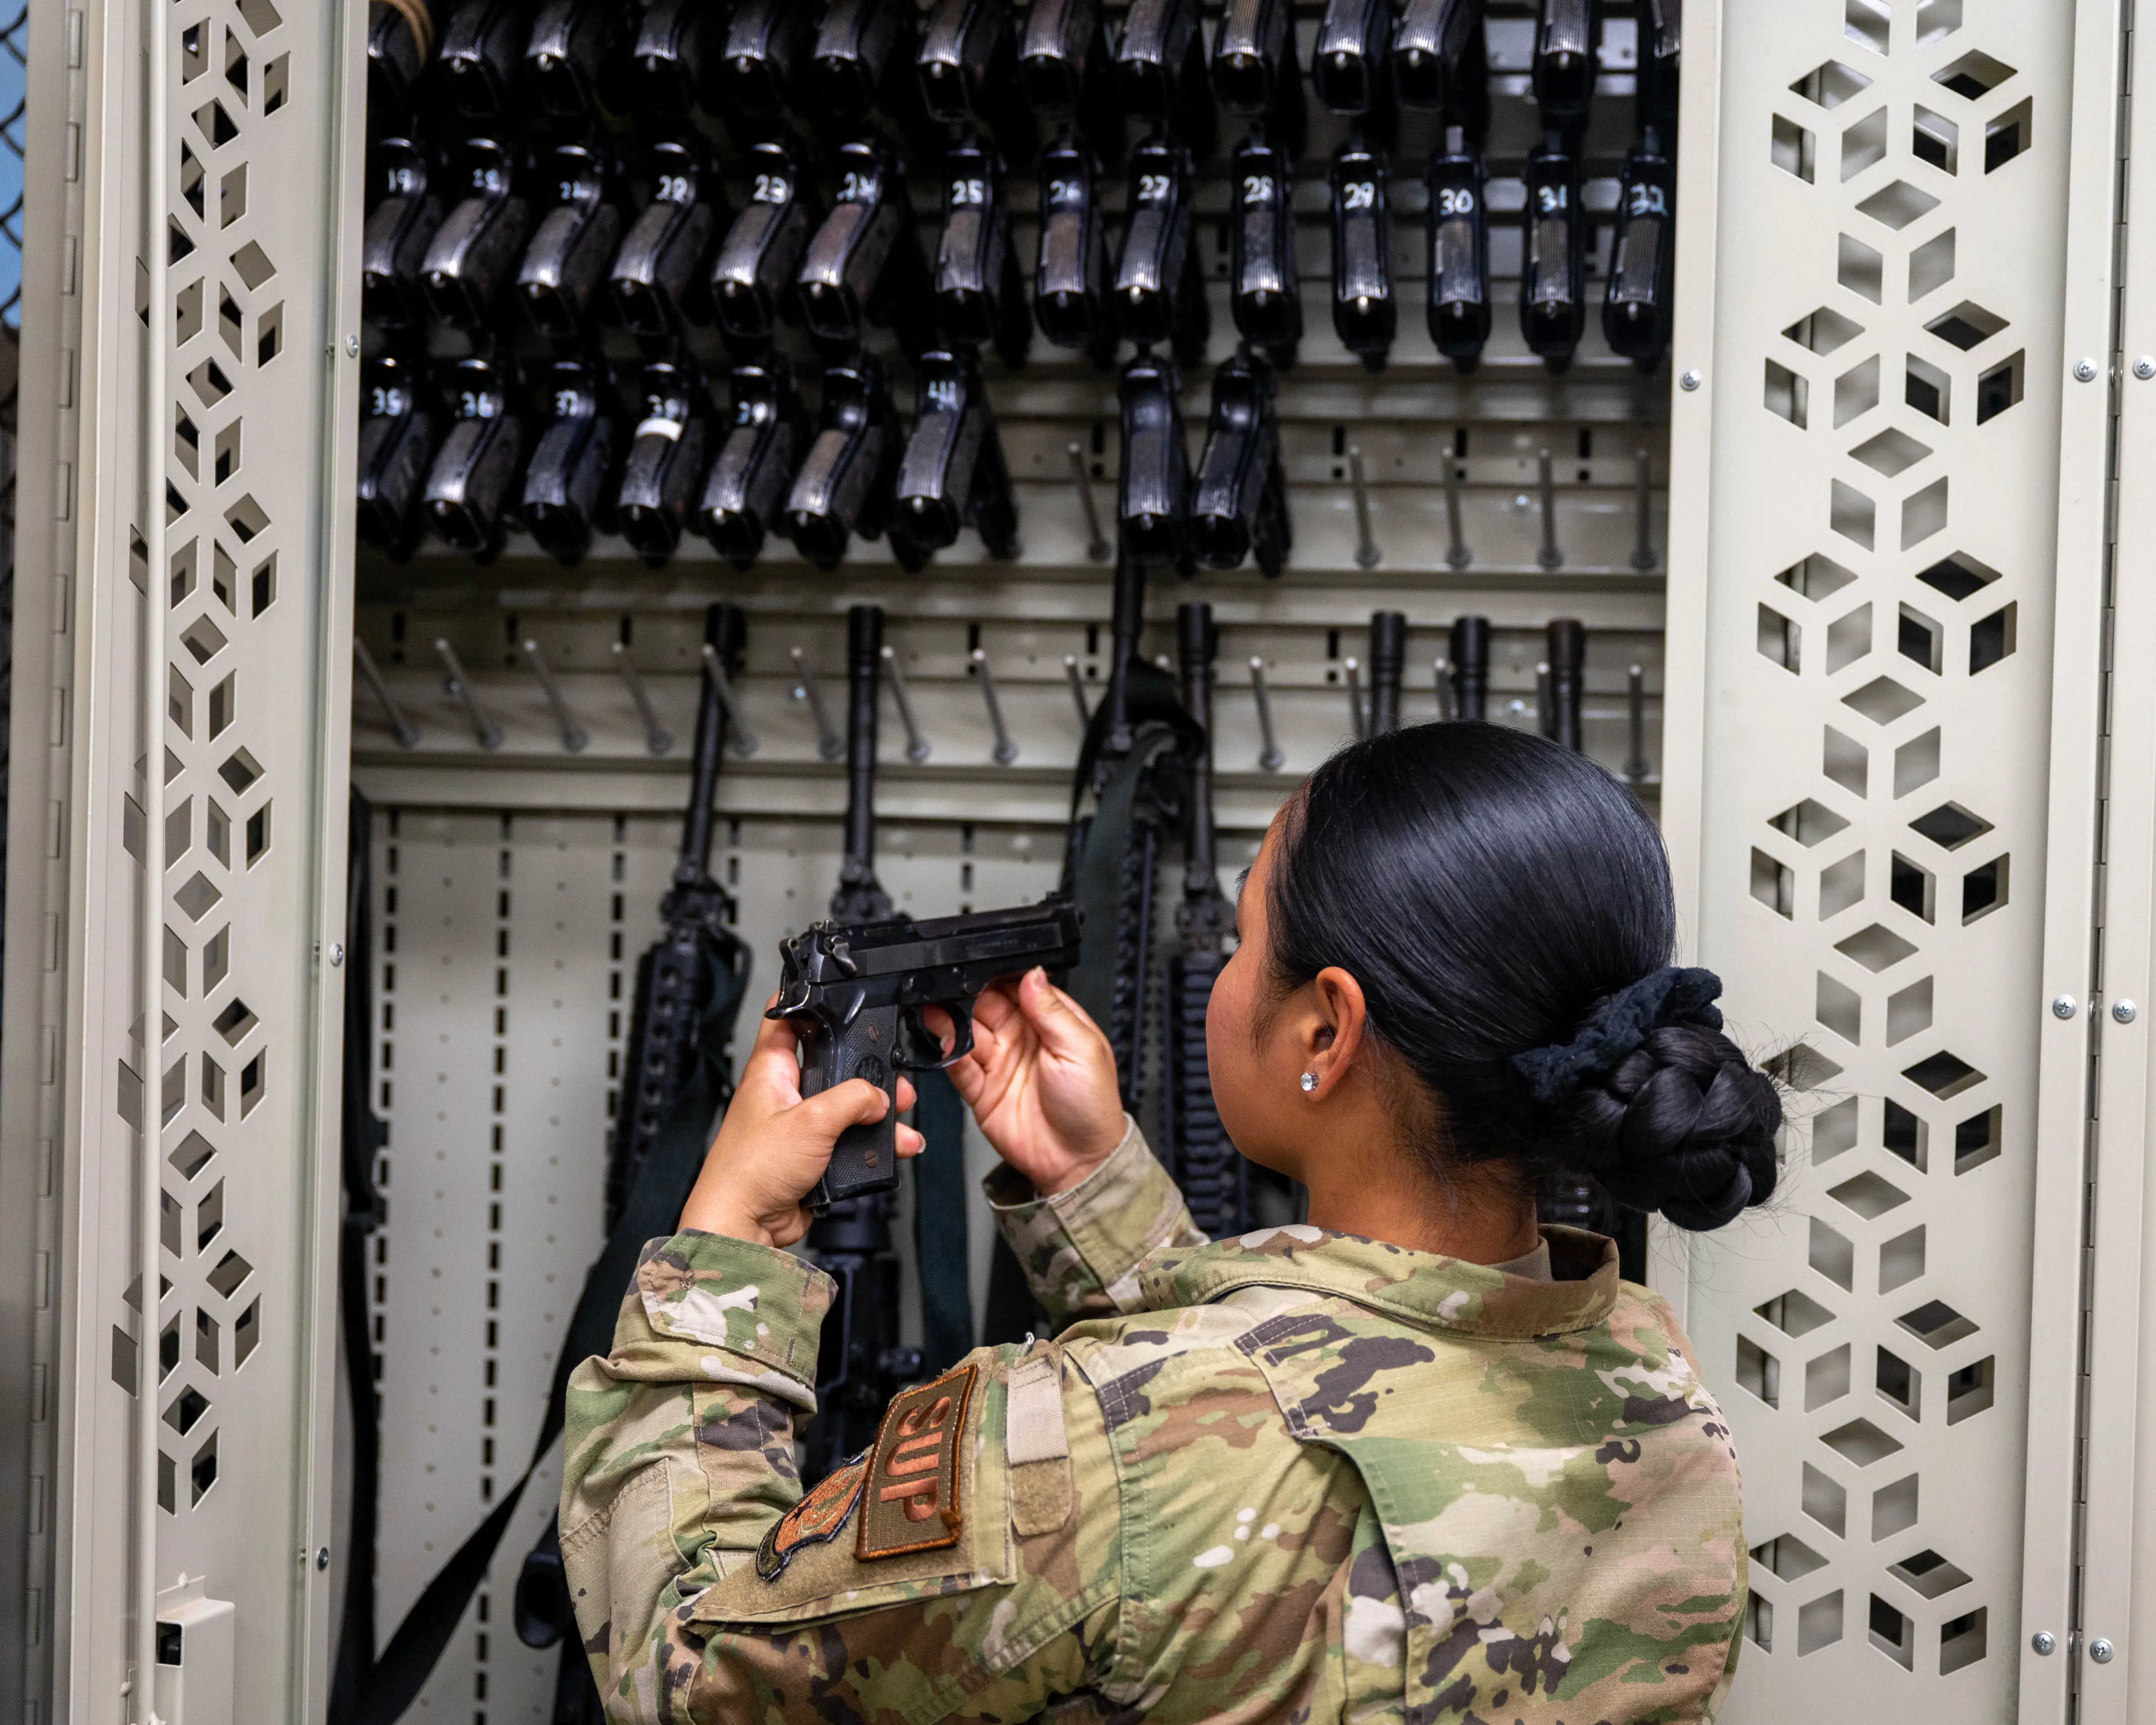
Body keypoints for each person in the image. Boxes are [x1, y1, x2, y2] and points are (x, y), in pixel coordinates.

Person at [560, 723, 1778, 1724]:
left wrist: (728, 1252)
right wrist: (1096, 1194)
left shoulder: (1103, 1451)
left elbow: (688, 1678)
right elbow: (1296, 1422)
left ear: (1325, 1030)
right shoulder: (1652, 1385)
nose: (1233, 968)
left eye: (1250, 940)